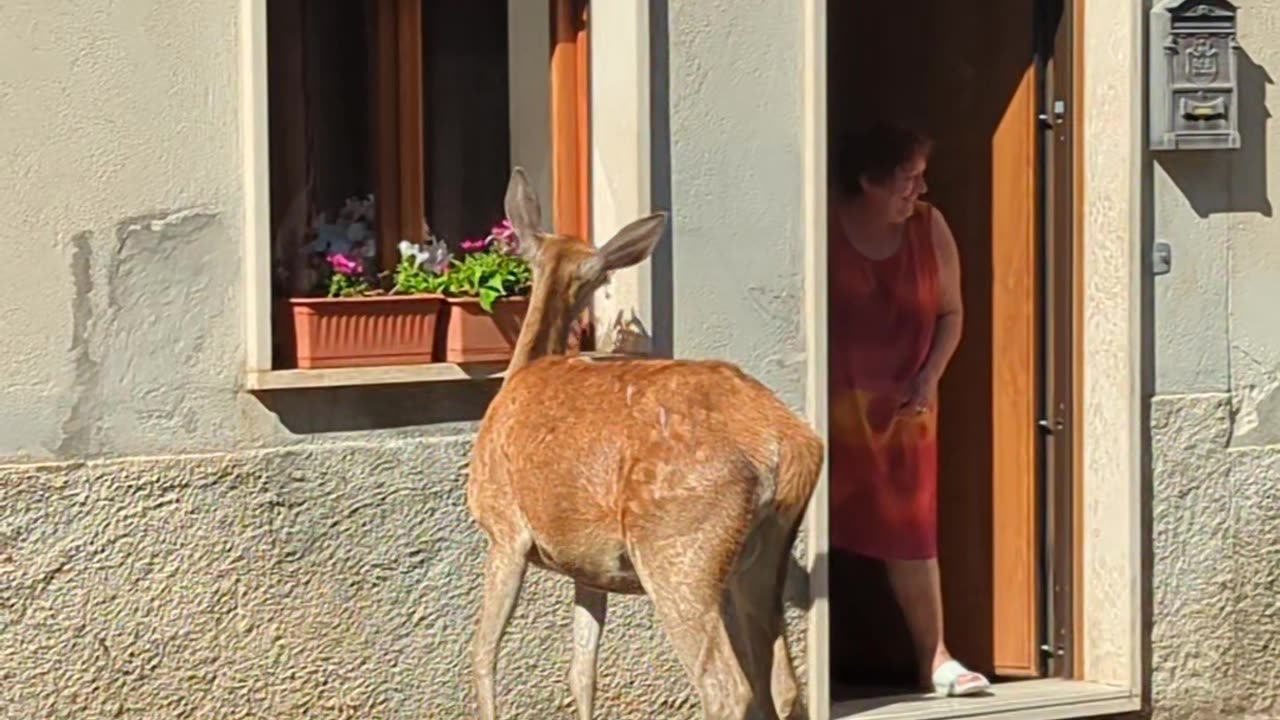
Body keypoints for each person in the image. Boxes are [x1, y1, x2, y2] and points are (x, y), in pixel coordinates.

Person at [828, 123, 989, 697]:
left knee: (911, 533)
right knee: (818, 526)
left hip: (906, 411)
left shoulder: (930, 227)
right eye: (907, 179)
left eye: (921, 177)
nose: (918, 190)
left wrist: (929, 376)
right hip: (831, 413)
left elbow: (952, 313)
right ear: (868, 180)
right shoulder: (822, 221)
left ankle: (936, 658)